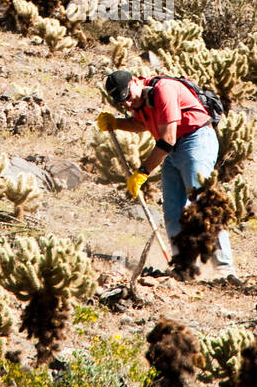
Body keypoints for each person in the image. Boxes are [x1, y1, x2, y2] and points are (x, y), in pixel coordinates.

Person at [96, 69, 237, 281]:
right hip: (172, 151)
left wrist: (143, 172)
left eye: (127, 96)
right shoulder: (140, 101)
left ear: (136, 81)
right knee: (172, 211)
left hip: (195, 140)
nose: (126, 104)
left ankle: (224, 268)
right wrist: (117, 123)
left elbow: (167, 138)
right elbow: (140, 124)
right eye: (121, 101)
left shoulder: (163, 90)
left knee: (203, 204)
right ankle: (183, 267)